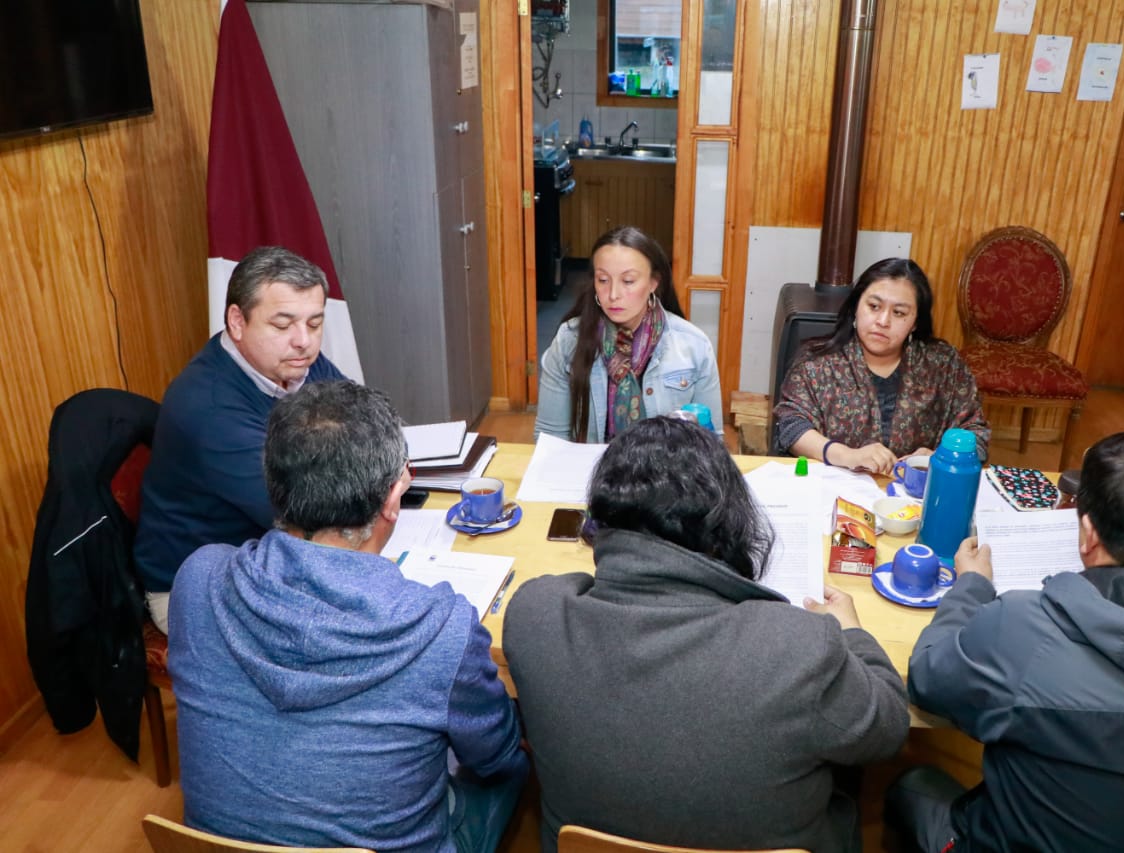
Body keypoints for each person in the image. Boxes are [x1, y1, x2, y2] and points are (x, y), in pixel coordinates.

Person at [504, 417, 910, 852]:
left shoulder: (533, 617)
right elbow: (888, 725)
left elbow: (560, 587)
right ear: (725, 529)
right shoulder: (801, 646)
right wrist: (852, 632)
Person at [168, 380, 528, 853]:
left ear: (274, 484)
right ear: (393, 497)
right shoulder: (443, 629)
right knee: (514, 766)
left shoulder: (198, 580)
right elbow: (495, 754)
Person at [889, 430, 1124, 853]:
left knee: (913, 784)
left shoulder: (1025, 627)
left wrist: (970, 587)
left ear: (1088, 534)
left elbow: (927, 678)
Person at [133, 246, 346, 633]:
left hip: (278, 551)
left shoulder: (291, 361)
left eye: (314, 324)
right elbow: (300, 518)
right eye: (282, 325)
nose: (304, 341)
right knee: (349, 638)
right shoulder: (209, 410)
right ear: (237, 321)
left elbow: (361, 428)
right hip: (200, 587)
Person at [773, 258, 989, 475]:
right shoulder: (817, 363)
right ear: (856, 307)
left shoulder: (943, 365)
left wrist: (941, 456)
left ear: (915, 322)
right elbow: (791, 427)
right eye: (874, 307)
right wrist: (847, 455)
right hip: (835, 492)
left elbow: (977, 436)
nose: (883, 321)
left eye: (899, 313)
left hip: (913, 498)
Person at [534, 226, 723, 442]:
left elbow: (712, 443)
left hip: (668, 473)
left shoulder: (694, 345)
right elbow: (549, 440)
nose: (613, 295)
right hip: (591, 472)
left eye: (628, 281)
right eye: (603, 280)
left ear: (654, 282)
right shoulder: (569, 340)